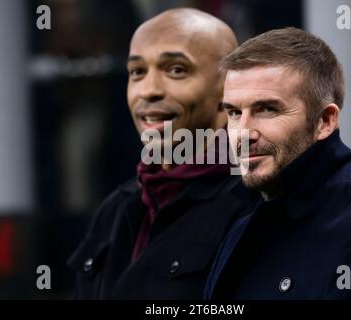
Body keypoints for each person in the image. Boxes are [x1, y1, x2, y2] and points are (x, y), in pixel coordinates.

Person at [205, 27, 351, 299]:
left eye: (267, 109)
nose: (243, 132)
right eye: (234, 113)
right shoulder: (241, 231)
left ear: (325, 121)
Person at [67, 8, 258, 299]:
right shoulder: (116, 209)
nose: (149, 91)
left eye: (176, 70)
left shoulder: (258, 206)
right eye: (137, 72)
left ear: (228, 91)